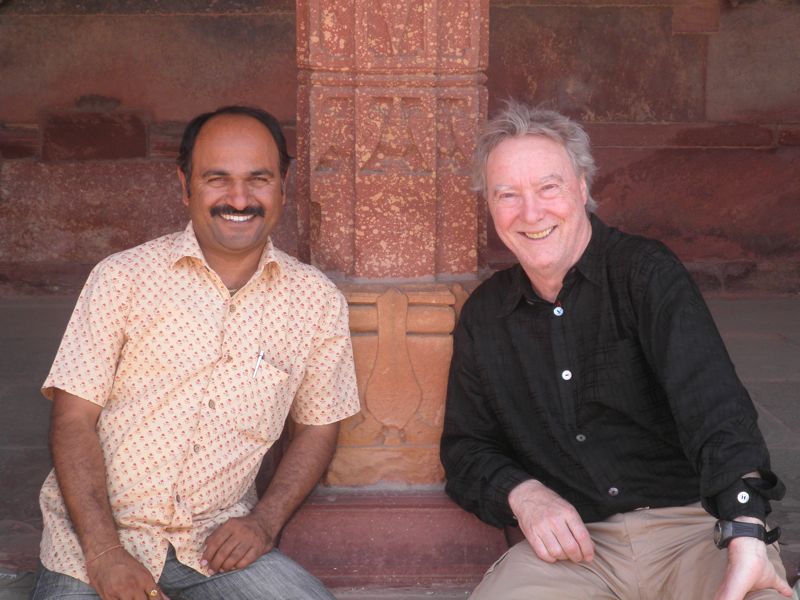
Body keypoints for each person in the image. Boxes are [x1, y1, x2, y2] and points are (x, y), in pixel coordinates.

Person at [440, 101, 791, 600]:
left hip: (696, 530)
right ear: (490, 207)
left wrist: (746, 530)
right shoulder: (485, 316)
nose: (531, 212)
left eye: (548, 187)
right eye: (508, 195)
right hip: (576, 552)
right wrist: (525, 494)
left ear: (583, 188)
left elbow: (718, 411)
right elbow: (465, 448)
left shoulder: (646, 274)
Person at [31, 106, 361, 600]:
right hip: (93, 547)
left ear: (283, 187)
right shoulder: (122, 278)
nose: (239, 198)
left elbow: (319, 425)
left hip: (215, 548)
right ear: (185, 185)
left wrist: (265, 523)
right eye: (217, 179)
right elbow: (73, 419)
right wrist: (103, 555)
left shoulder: (315, 301)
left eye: (259, 179)